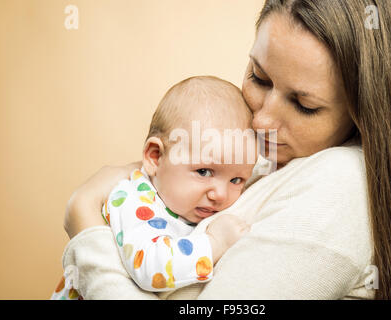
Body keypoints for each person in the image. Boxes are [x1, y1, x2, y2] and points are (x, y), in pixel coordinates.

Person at [61, 0, 391, 299]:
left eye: (304, 105)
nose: (262, 122)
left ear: (364, 112)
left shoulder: (340, 186)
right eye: (259, 78)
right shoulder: (268, 162)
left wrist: (84, 221)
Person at [52, 76, 257, 299]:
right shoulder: (132, 199)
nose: (220, 194)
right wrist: (214, 243)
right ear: (155, 157)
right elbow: (149, 268)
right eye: (203, 172)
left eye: (236, 180)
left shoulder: (182, 204)